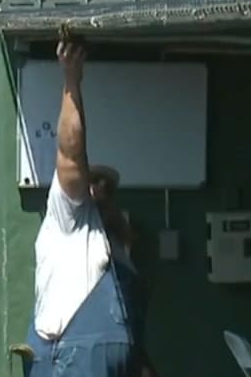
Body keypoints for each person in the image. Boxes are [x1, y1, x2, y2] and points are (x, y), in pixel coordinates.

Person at [23, 40, 155, 377]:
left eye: (108, 187)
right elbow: (70, 155)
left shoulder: (118, 250)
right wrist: (71, 81)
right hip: (69, 358)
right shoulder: (69, 217)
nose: (100, 190)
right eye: (93, 182)